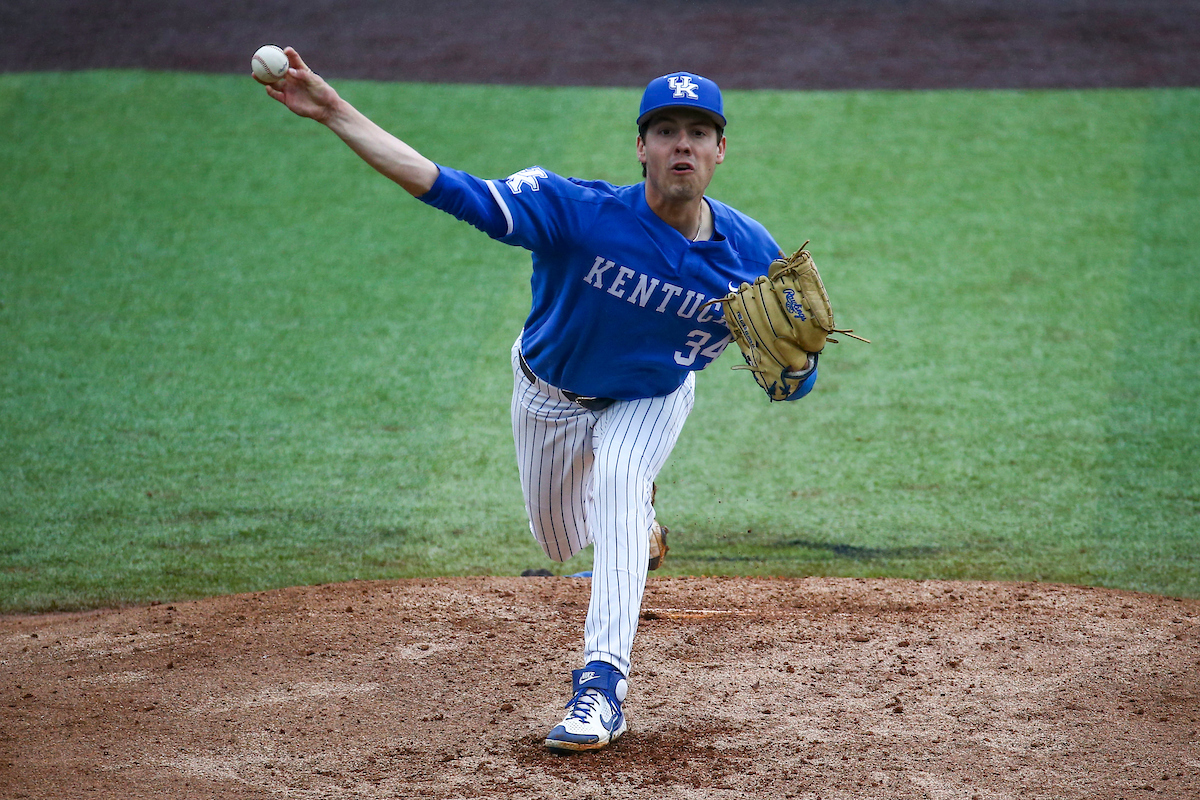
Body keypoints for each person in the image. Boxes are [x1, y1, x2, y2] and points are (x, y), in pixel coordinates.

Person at [262, 48, 819, 752]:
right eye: (668, 130)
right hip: (549, 396)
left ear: (720, 149)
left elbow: (798, 366)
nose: (684, 143)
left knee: (618, 475)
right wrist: (335, 112)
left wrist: (798, 375)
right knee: (557, 540)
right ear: (641, 147)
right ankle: (637, 526)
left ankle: (601, 688)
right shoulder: (575, 212)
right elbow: (449, 188)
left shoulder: (750, 253)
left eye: (700, 132)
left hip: (651, 398)